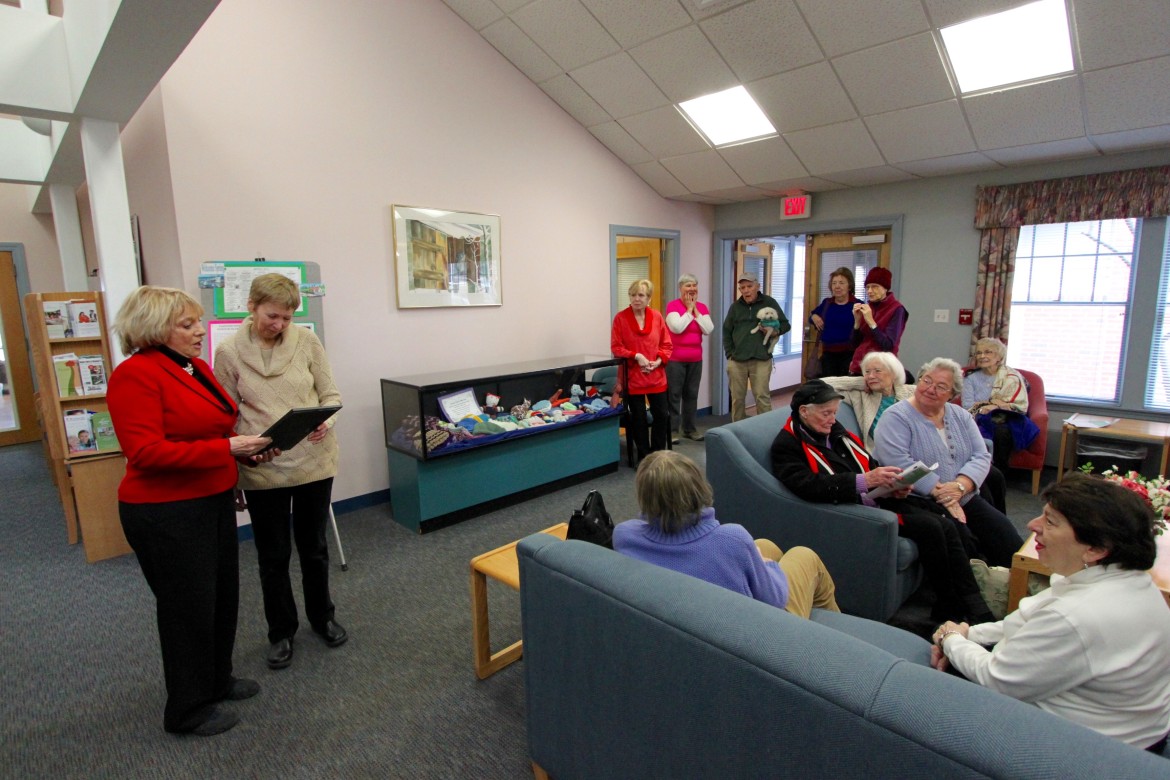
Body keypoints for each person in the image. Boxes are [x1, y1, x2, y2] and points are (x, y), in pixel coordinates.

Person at [107, 285, 275, 736]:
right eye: (187, 325)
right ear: (154, 329)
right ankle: (186, 709)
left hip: (211, 499)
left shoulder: (193, 367)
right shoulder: (134, 375)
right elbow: (145, 453)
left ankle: (216, 680)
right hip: (166, 512)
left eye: (197, 321)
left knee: (220, 600)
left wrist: (241, 454)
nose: (200, 331)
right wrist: (226, 447)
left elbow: (210, 428)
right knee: (187, 611)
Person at [932, 474, 1170, 752]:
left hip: (1086, 748)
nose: (1032, 526)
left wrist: (950, 638)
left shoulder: (1076, 615)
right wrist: (968, 633)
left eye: (1050, 521)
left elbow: (997, 679)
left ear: (1095, 549)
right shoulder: (1129, 581)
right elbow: (1026, 620)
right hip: (1134, 730)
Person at [771, 379, 995, 624]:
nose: (833, 419)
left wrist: (892, 483)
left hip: (878, 498)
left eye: (834, 413)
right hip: (852, 509)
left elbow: (868, 463)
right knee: (933, 528)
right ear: (804, 411)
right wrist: (866, 481)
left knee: (945, 517)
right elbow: (808, 486)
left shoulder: (832, 430)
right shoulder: (787, 445)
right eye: (827, 413)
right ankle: (959, 606)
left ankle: (968, 599)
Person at [214, 274, 346, 671]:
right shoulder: (227, 352)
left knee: (315, 548)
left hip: (313, 463)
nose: (280, 325)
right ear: (251, 306)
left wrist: (327, 423)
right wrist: (243, 454)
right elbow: (223, 415)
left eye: (288, 318)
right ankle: (281, 631)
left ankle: (322, 617)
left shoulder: (307, 341)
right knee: (273, 555)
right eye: (272, 316)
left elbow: (331, 395)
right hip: (262, 468)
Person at [614, 450, 839, 618]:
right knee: (804, 555)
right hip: (759, 642)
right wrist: (768, 565)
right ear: (699, 487)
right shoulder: (731, 539)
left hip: (688, 624)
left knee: (764, 544)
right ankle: (840, 642)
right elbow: (775, 599)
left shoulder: (625, 536)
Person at [873, 358, 1024, 568]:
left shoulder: (961, 415)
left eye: (941, 386)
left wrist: (961, 486)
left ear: (952, 395)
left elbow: (981, 455)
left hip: (963, 493)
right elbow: (899, 462)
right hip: (922, 499)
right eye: (927, 381)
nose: (930, 389)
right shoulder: (896, 417)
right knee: (968, 546)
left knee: (1006, 537)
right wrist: (941, 493)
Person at [611, 279, 673, 464]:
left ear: (649, 298)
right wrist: (637, 355)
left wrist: (658, 361)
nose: (636, 299)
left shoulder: (657, 317)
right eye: (633, 295)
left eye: (641, 295)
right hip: (632, 377)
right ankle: (644, 457)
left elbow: (667, 344)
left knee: (661, 415)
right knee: (638, 419)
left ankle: (658, 455)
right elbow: (616, 347)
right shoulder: (620, 318)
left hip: (656, 376)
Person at [962, 337, 1039, 473]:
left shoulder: (1012, 376)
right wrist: (989, 407)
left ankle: (998, 472)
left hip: (1009, 419)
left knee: (1001, 431)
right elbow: (967, 405)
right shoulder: (970, 378)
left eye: (988, 352)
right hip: (979, 417)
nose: (982, 356)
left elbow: (1017, 405)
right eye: (978, 353)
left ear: (999, 357)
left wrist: (997, 406)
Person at [723, 271, 788, 422]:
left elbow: (785, 324)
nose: (746, 290)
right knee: (737, 399)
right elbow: (726, 331)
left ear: (757, 286)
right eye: (742, 287)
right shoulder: (735, 307)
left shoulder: (769, 302)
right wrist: (729, 354)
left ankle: (764, 430)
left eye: (749, 286)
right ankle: (737, 430)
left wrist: (775, 332)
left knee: (762, 397)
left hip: (761, 359)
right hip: (737, 360)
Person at [823, 351, 912, 449]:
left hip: (911, 450)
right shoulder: (859, 395)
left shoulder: (910, 392)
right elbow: (821, 384)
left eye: (877, 371)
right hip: (879, 455)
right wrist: (859, 382)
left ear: (893, 373)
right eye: (867, 372)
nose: (871, 376)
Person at [664, 274, 713, 443]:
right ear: (680, 288)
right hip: (675, 360)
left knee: (692, 395)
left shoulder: (702, 307)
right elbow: (676, 328)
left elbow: (708, 328)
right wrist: (689, 310)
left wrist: (696, 310)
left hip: (695, 359)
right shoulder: (673, 306)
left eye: (694, 285)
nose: (691, 288)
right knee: (674, 395)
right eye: (687, 286)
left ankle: (689, 429)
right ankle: (673, 431)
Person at [849, 267, 908, 375]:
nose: (870, 291)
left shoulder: (897, 309)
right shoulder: (867, 308)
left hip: (881, 369)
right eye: (867, 287)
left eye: (874, 286)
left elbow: (888, 346)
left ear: (885, 288)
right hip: (859, 367)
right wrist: (857, 322)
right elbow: (854, 345)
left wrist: (871, 322)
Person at [808, 266, 860, 378]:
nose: (837, 286)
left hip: (850, 356)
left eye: (841, 283)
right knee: (828, 390)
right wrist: (814, 316)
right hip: (828, 355)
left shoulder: (857, 305)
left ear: (849, 286)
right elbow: (811, 316)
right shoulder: (827, 303)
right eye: (834, 283)